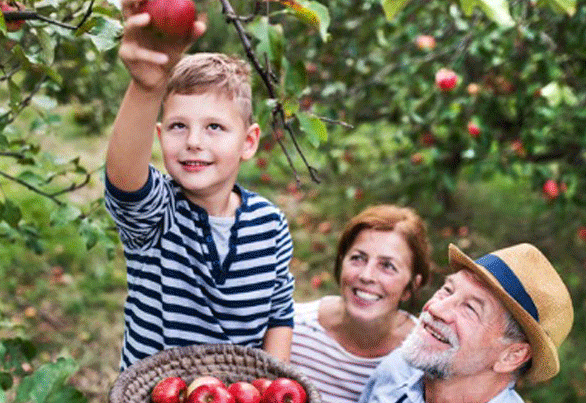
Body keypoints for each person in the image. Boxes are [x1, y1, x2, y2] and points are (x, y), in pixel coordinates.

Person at [104, 1, 295, 370]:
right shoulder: (159, 214)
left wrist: (272, 384)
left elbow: (278, 315)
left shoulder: (270, 225)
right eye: (178, 126)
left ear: (249, 142)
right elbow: (124, 181)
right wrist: (146, 89)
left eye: (214, 127)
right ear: (159, 136)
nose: (193, 141)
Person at [358, 243, 574, 403]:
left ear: (511, 356)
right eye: (448, 290)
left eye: (471, 309)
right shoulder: (397, 370)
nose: (435, 308)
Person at [290, 205, 433, 402]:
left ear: (411, 286)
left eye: (387, 266)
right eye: (358, 258)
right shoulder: (292, 329)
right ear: (341, 263)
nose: (367, 276)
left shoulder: (424, 358)